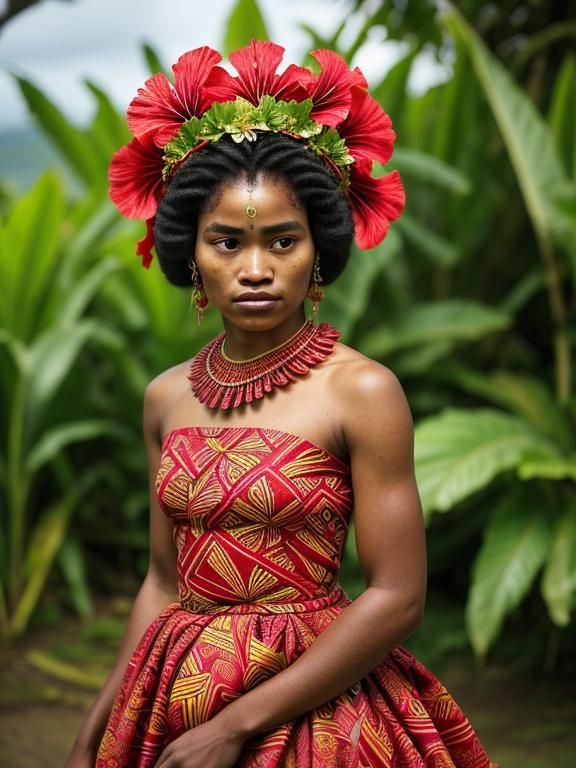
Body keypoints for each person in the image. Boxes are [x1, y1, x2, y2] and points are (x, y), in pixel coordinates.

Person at [65, 41, 496, 768]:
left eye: (283, 241)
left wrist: (235, 728)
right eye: (227, 242)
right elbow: (163, 581)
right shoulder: (165, 397)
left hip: (316, 709)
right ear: (191, 255)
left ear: (317, 253)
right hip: (171, 696)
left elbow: (396, 597)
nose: (256, 269)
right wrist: (95, 733)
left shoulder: (362, 391)